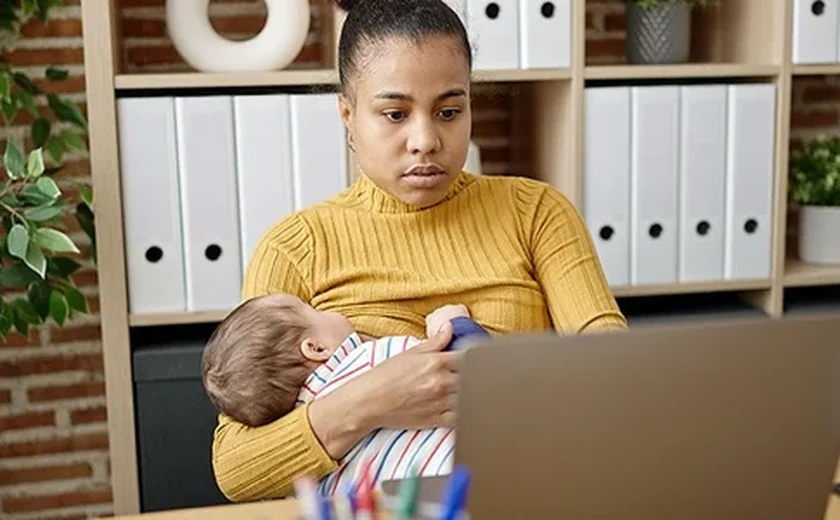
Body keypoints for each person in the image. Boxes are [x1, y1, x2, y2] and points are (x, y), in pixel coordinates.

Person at [211, 0, 628, 501]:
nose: (426, 140)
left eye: (450, 111)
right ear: (348, 115)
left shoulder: (535, 212)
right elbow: (236, 469)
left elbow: (617, 373)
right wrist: (372, 399)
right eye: (394, 114)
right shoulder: (296, 248)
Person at [202, 294, 488, 494]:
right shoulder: (369, 359)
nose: (327, 310)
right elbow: (476, 369)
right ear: (315, 348)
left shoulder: (309, 476)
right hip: (467, 486)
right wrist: (454, 324)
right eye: (312, 308)